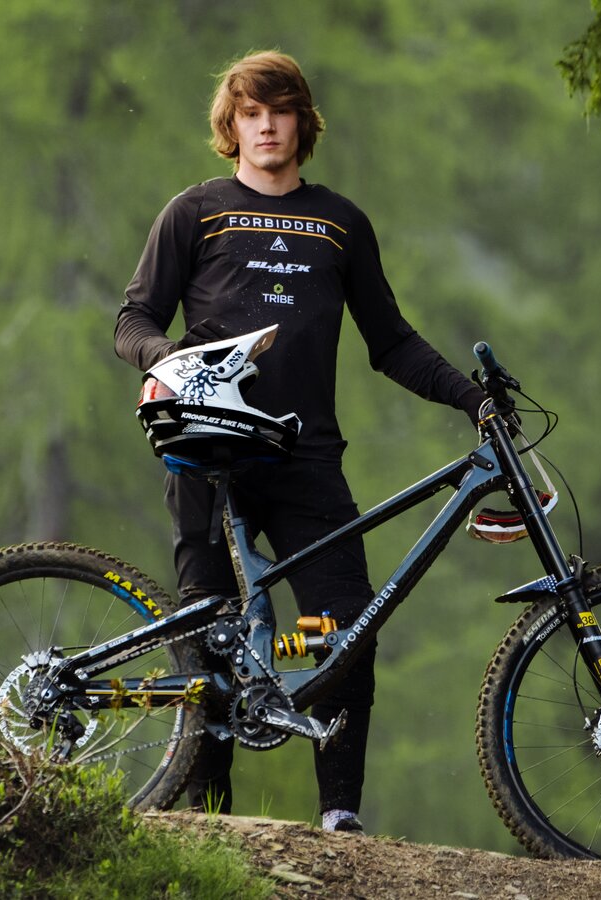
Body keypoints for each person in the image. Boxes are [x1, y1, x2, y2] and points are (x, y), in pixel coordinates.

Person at [115, 50, 485, 833]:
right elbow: (133, 320)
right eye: (251, 113)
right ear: (232, 125)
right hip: (206, 448)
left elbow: (392, 342)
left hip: (306, 458)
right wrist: (171, 361)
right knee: (206, 636)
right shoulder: (195, 211)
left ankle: (340, 818)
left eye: (279, 111)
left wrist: (471, 397)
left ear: (302, 122)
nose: (266, 127)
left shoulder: (340, 223)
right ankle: (209, 828)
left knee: (349, 628)